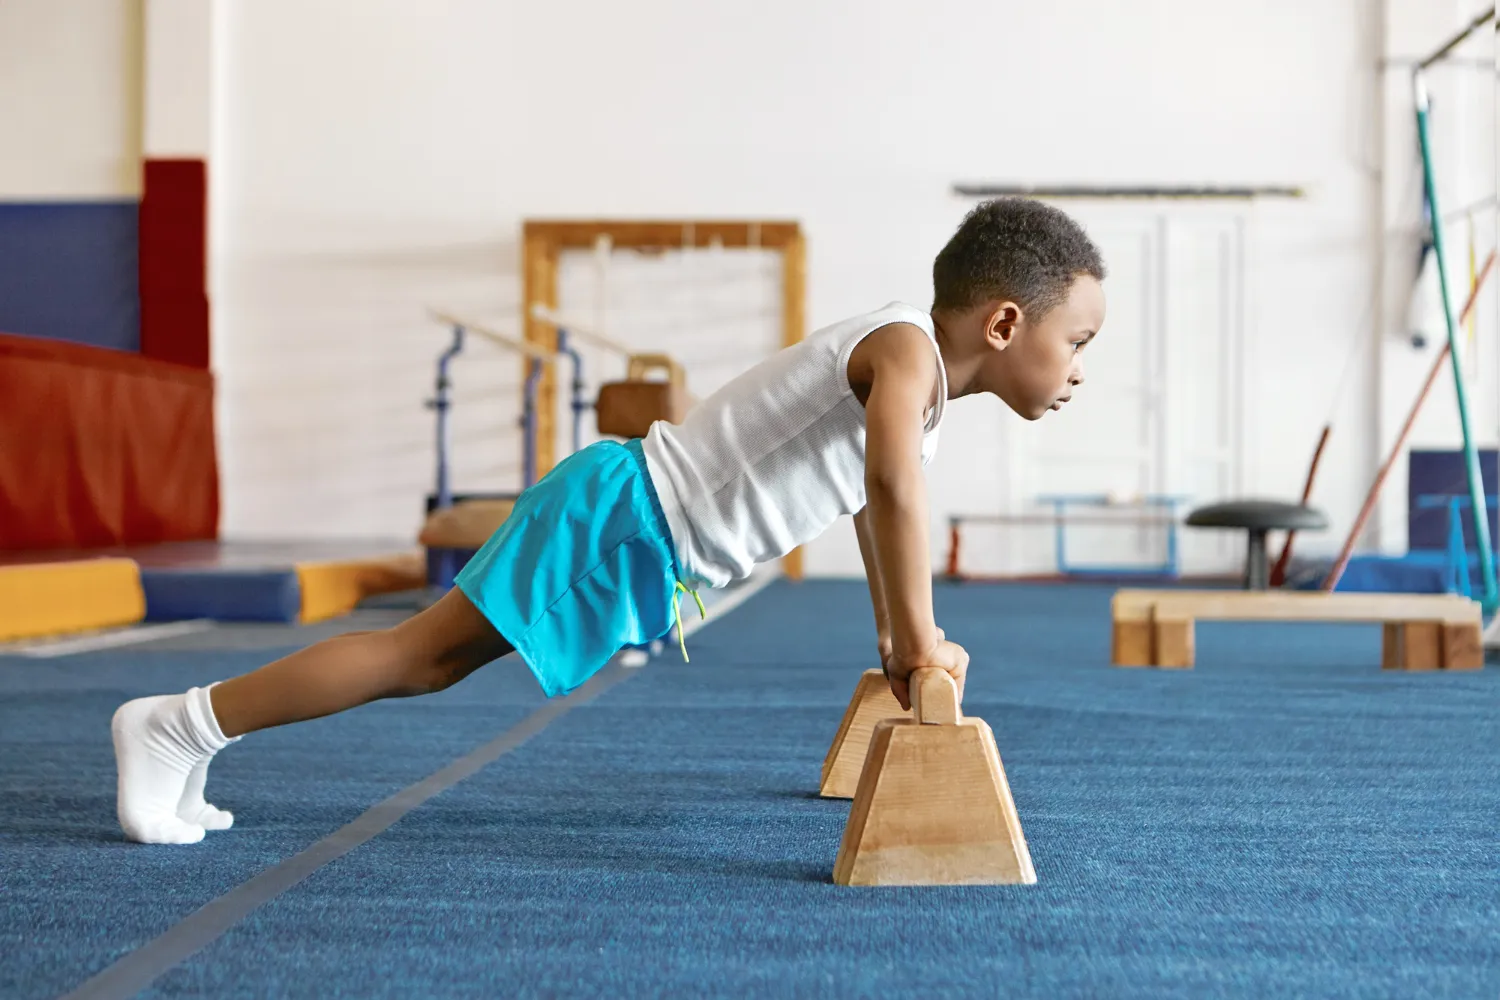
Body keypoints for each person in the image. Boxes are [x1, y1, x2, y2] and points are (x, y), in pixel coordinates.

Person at [111, 197, 1107, 844]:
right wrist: (918, 633)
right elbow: (888, 484)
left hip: (636, 536)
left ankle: (190, 735)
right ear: (1007, 324)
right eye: (1078, 341)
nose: (1077, 372)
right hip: (625, 520)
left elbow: (867, 496)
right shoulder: (903, 349)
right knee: (417, 659)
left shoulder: (919, 396)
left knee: (426, 660)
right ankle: (177, 724)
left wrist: (899, 637)